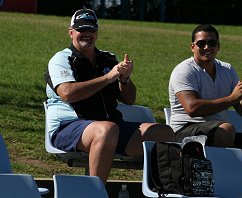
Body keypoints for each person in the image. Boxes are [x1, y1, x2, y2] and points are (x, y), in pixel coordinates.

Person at [44, 9, 175, 183]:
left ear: (97, 33)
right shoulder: (61, 59)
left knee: (165, 133)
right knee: (106, 129)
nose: (87, 34)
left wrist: (124, 79)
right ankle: (94, 193)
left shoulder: (108, 59)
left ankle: (160, 191)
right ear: (71, 32)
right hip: (68, 127)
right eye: (81, 29)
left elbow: (129, 99)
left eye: (91, 30)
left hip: (110, 127)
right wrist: (107, 78)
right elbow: (67, 94)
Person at [168, 24, 242, 176]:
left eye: (212, 43)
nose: (207, 47)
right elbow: (192, 108)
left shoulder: (227, 69)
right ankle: (230, 176)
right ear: (192, 47)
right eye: (201, 43)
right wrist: (232, 98)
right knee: (226, 130)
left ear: (219, 46)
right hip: (184, 132)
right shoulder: (184, 70)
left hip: (221, 134)